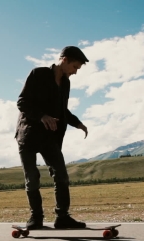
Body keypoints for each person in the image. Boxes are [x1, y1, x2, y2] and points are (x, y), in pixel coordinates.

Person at [15, 46, 89, 230]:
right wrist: (42, 116)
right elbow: (22, 102)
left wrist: (77, 123)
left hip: (50, 137)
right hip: (29, 135)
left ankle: (62, 217)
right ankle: (36, 218)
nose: (75, 72)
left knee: (61, 175)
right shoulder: (38, 74)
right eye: (75, 67)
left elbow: (62, 109)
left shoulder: (65, 83)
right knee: (32, 178)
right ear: (64, 60)